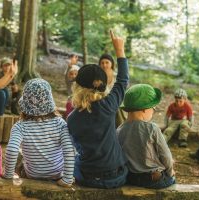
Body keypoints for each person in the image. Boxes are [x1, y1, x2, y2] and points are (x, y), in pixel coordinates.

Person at [67, 30, 129, 189]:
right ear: (102, 87)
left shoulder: (72, 119)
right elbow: (122, 81)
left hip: (87, 178)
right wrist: (120, 51)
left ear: (77, 87)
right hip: (116, 176)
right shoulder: (108, 105)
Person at [3, 78, 75, 187]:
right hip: (57, 175)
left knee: (19, 159)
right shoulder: (60, 124)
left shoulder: (20, 126)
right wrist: (67, 179)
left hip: (33, 175)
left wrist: (8, 175)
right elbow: (69, 150)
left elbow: (12, 150)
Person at [117, 84, 176, 189]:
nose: (153, 111)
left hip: (129, 177)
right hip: (151, 179)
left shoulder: (119, 130)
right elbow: (166, 157)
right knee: (171, 178)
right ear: (144, 109)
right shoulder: (152, 128)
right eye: (153, 108)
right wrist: (170, 172)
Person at [99, 53, 127, 127]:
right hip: (103, 105)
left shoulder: (117, 77)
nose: (104, 65)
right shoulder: (98, 78)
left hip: (116, 104)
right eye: (102, 63)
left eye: (107, 62)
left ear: (111, 63)